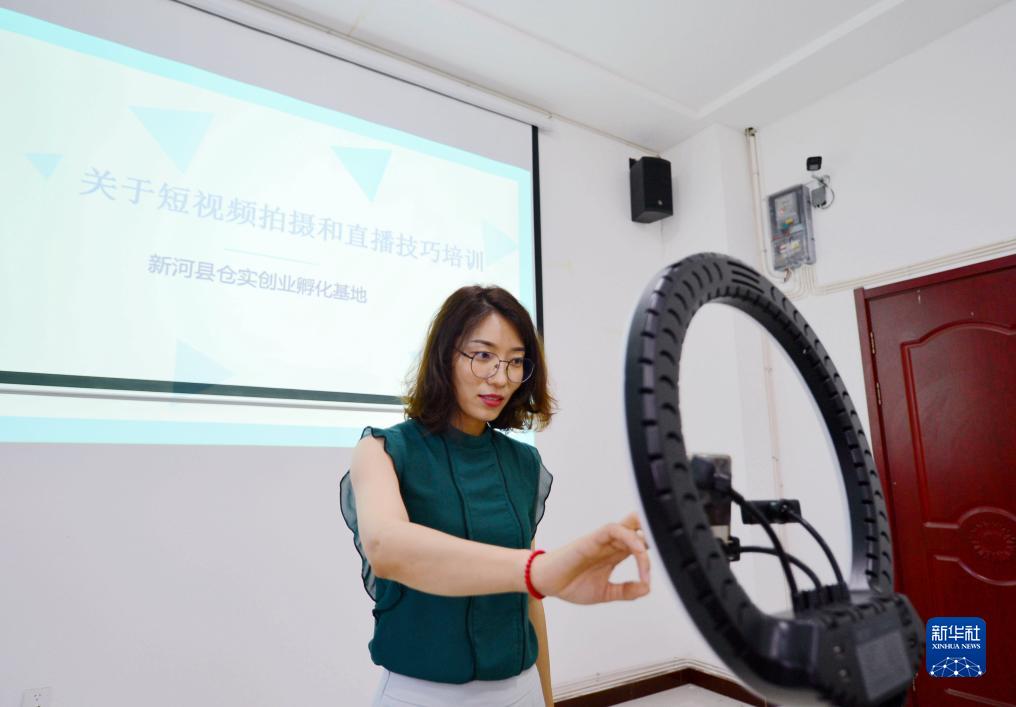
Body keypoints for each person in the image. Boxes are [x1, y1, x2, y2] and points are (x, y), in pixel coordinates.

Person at [340, 285, 651, 707]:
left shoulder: (522, 462)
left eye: (515, 361)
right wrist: (540, 570)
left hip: (520, 688)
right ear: (445, 356)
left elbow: (530, 603)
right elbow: (386, 547)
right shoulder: (383, 450)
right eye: (483, 355)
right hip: (420, 694)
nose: (501, 378)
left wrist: (546, 698)